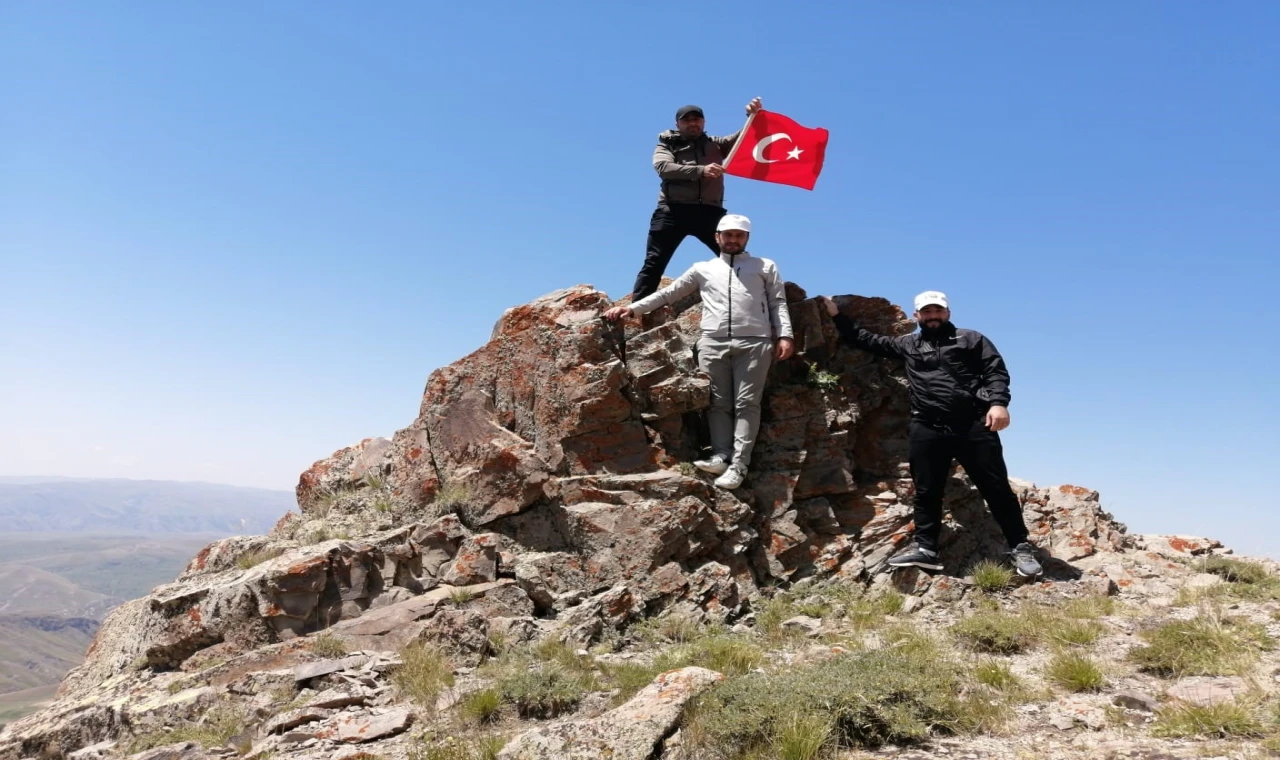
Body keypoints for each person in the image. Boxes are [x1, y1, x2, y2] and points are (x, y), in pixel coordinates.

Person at [818, 291, 1043, 577]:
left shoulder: (971, 339)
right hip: (927, 426)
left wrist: (999, 404)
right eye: (927, 312)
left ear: (947, 313)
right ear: (917, 316)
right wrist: (837, 315)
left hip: (973, 425)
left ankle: (1020, 547)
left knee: (995, 487)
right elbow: (866, 340)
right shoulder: (908, 344)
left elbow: (995, 372)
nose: (932, 316)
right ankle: (926, 549)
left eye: (937, 311)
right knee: (926, 491)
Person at [606, 213, 794, 489]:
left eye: (738, 235)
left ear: (746, 239)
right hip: (712, 341)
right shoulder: (702, 268)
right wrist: (632, 308)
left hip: (754, 342)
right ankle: (720, 455)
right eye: (728, 235)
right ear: (717, 237)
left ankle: (739, 466)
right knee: (718, 403)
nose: (733, 240)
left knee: (747, 404)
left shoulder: (764, 266)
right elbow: (669, 294)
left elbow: (777, 302)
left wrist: (785, 335)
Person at [630, 98, 764, 302]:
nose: (693, 123)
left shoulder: (715, 145)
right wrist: (701, 171)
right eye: (687, 120)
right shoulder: (667, 144)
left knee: (735, 256)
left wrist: (751, 116)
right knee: (654, 262)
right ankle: (636, 310)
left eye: (697, 119)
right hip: (673, 211)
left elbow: (742, 139)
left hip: (710, 212)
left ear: (704, 122)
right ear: (678, 124)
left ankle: (751, 302)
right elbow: (664, 168)